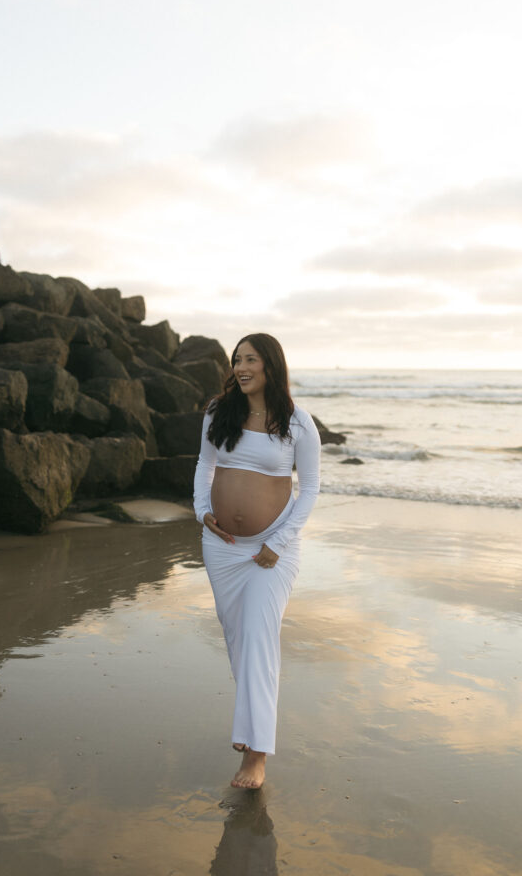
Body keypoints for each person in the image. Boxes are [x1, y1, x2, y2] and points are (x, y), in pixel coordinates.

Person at [194, 333, 321, 789]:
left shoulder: (298, 423)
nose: (240, 367)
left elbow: (310, 490)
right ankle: (251, 725)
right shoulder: (218, 412)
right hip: (221, 547)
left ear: (270, 364)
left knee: (260, 640)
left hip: (272, 551)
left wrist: (280, 542)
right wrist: (201, 512)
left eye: (250, 359)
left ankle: (257, 755)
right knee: (238, 640)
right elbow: (204, 466)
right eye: (236, 360)